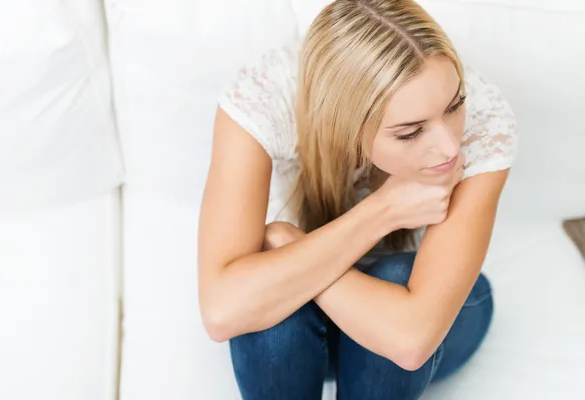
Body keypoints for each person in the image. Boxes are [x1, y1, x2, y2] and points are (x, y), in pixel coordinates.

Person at [197, 0, 518, 398]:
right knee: (273, 320)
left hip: (419, 322)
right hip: (307, 332)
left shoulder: (486, 120)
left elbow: (411, 339)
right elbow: (221, 311)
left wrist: (292, 249)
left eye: (455, 106)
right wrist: (383, 210)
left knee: (390, 277)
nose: (450, 147)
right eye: (410, 132)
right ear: (345, 127)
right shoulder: (266, 97)